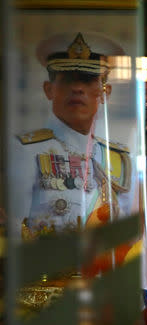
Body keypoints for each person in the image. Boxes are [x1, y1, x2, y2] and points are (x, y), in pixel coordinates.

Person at [10, 32, 135, 271]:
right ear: (49, 89)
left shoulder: (119, 158)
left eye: (88, 80)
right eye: (67, 79)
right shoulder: (26, 150)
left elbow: (128, 237)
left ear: (105, 92)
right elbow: (15, 229)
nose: (78, 88)